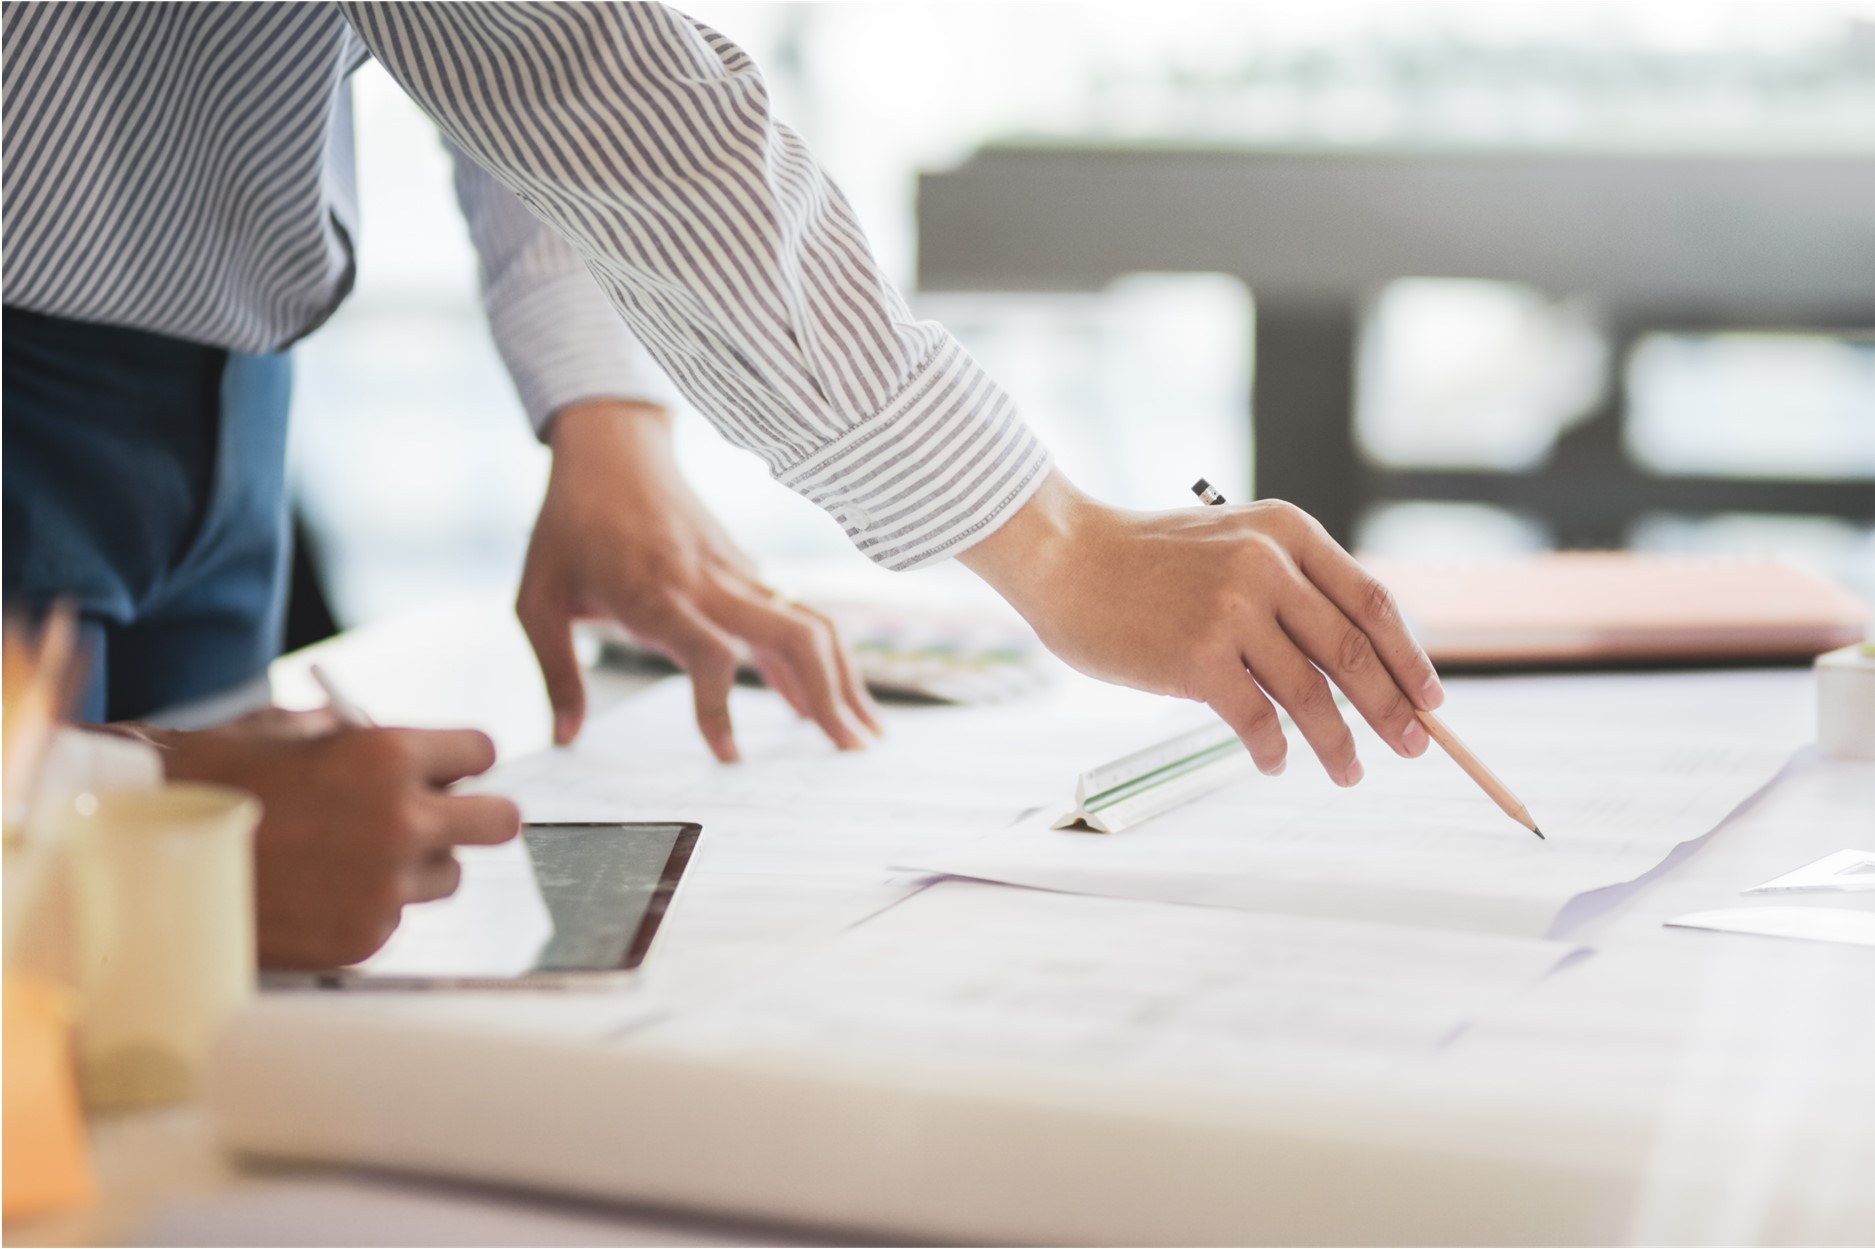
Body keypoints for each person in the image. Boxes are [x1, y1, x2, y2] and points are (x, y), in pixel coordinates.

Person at [3, 3, 1442, 966]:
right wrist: (1049, 539)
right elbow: (582, 67)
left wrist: (605, 413)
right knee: (78, 956)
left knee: (162, 1025)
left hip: (231, 390)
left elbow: (510, 49)